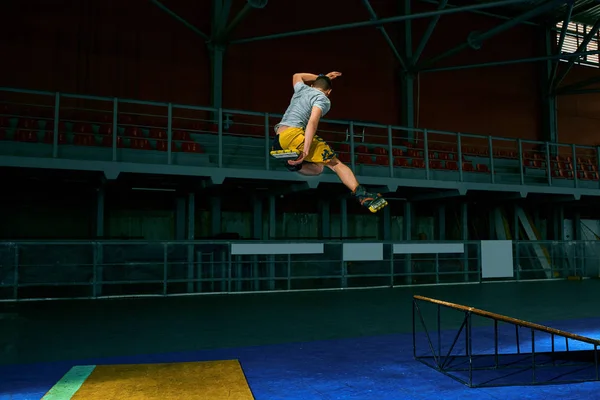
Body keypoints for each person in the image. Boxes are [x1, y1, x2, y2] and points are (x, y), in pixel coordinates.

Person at [271, 72, 387, 213]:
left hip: (279, 138)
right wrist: (306, 148)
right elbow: (313, 122)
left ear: (313, 85)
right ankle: (362, 195)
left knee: (318, 169)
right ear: (329, 92)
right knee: (335, 164)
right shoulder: (322, 99)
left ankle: (292, 164)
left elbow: (297, 75)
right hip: (295, 135)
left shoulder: (302, 89)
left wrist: (321, 76)